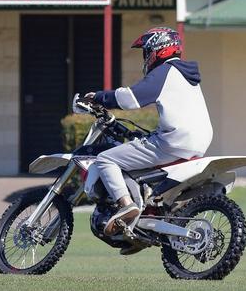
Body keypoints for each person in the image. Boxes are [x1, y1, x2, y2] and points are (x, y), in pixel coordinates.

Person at [84, 26, 213, 238]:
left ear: (158, 49)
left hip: (173, 141)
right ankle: (147, 216)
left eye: (146, 52)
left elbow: (132, 98)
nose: (146, 57)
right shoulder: (185, 75)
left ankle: (126, 206)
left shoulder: (166, 71)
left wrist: (98, 97)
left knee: (106, 159)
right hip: (197, 142)